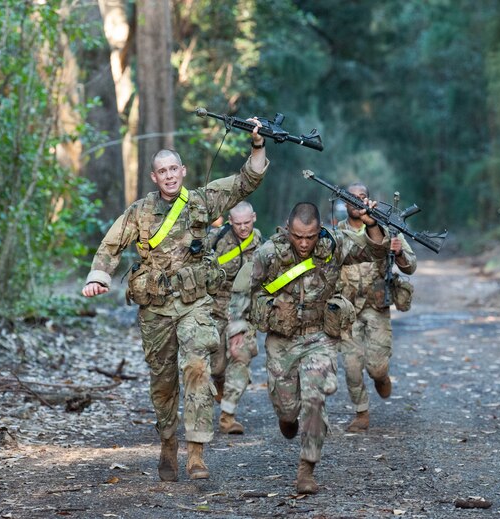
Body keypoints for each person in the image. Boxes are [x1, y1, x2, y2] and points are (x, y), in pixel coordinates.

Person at [81, 122, 268, 482]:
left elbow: (247, 179)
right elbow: (110, 245)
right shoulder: (140, 211)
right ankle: (168, 442)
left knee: (197, 367)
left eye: (174, 169)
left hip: (195, 303)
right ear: (155, 176)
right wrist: (98, 276)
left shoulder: (202, 200)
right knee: (163, 382)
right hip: (155, 308)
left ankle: (196, 453)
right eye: (162, 171)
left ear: (183, 171)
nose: (169, 176)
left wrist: (257, 144)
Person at [229, 201, 390, 494]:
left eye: (311, 236)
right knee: (288, 413)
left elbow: (375, 251)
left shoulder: (333, 245)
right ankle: (288, 419)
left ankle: (307, 468)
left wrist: (371, 223)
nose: (304, 243)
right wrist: (237, 330)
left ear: (319, 231)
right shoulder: (270, 253)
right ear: (288, 229)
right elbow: (243, 290)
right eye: (298, 236)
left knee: (315, 399)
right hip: (281, 340)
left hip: (320, 337)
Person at [336, 182, 416, 433]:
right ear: (345, 203)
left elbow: (410, 266)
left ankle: (381, 377)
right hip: (347, 308)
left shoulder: (387, 229)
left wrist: (399, 252)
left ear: (369, 201)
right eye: (353, 198)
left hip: (376, 305)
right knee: (351, 366)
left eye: (363, 197)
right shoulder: (334, 234)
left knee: (377, 365)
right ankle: (361, 412)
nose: (358, 201)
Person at [207, 201, 263, 434]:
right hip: (216, 311)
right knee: (217, 367)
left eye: (247, 223)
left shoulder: (263, 245)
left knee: (241, 356)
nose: (243, 228)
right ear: (230, 221)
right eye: (238, 224)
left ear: (254, 218)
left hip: (245, 314)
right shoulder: (216, 240)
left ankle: (228, 416)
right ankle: (219, 384)